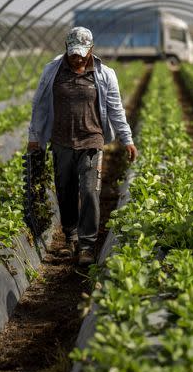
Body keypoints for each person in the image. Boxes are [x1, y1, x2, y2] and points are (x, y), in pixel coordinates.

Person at [27, 27, 137, 266]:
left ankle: (86, 245)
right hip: (61, 141)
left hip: (91, 140)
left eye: (81, 53)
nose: (77, 58)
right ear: (66, 48)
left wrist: (126, 138)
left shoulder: (104, 74)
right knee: (65, 190)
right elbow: (40, 106)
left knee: (89, 192)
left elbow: (116, 109)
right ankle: (70, 237)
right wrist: (34, 136)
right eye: (73, 52)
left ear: (91, 50)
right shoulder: (52, 71)